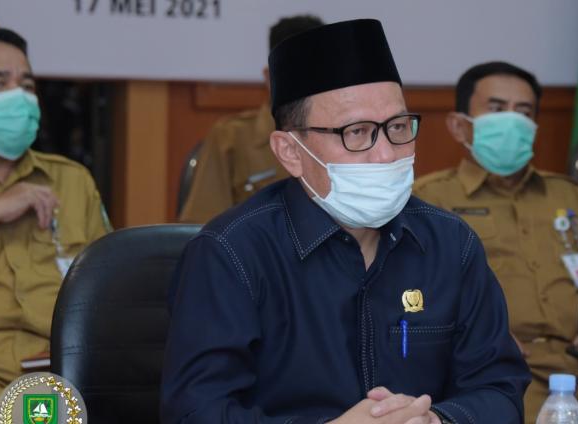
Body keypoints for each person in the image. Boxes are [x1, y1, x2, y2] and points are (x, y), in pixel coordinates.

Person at [162, 20, 530, 424]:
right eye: (357, 133)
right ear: (290, 152)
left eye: (398, 127)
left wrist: (437, 420)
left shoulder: (451, 243)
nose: (386, 154)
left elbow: (500, 389)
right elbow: (194, 412)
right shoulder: (231, 253)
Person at [413, 61, 578, 423]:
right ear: (459, 125)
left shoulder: (570, 196)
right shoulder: (429, 201)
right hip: (497, 370)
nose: (512, 122)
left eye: (524, 112)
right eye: (496, 109)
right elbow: (412, 295)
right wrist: (484, 335)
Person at [0, 26, 110, 415]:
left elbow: (109, 292)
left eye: (27, 85)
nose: (19, 97)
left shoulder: (71, 181)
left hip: (63, 377)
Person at [178, 14, 324, 223]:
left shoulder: (347, 136)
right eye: (295, 74)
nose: (307, 85)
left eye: (317, 74)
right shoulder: (230, 138)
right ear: (270, 78)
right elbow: (200, 227)